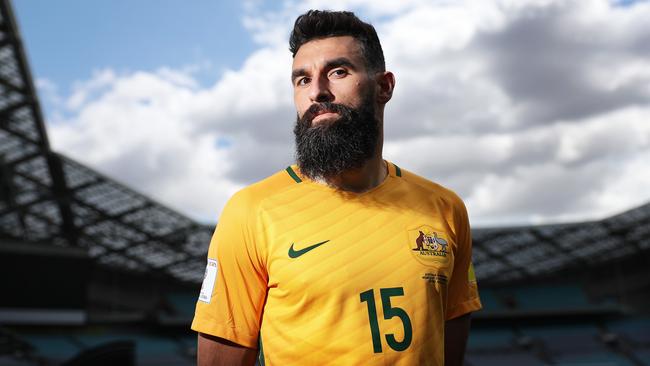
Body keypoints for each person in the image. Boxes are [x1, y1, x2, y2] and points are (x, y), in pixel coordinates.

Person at [192, 9, 482, 366]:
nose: (317, 92)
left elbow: (448, 343)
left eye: (338, 72)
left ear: (384, 86)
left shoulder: (444, 207)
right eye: (302, 79)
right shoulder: (251, 212)